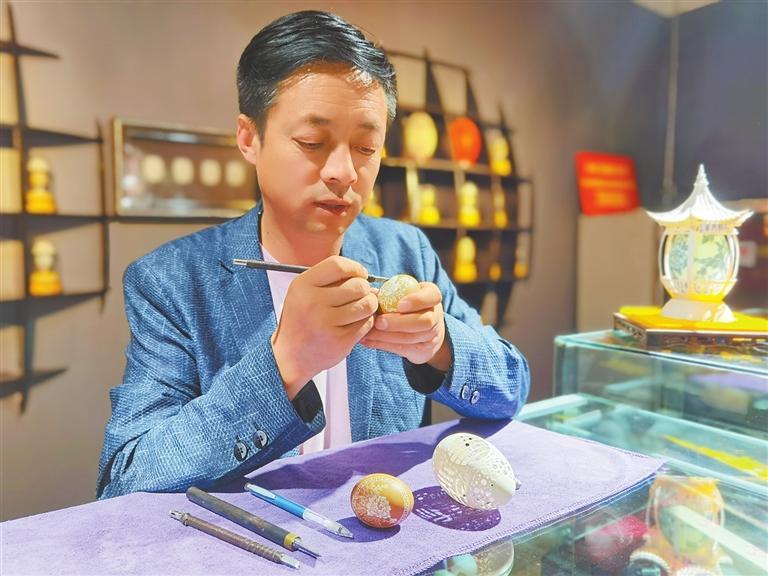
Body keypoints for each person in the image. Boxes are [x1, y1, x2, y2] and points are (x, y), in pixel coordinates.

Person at [97, 10, 530, 499]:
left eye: (366, 147)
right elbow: (125, 479)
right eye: (312, 142)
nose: (344, 172)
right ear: (249, 138)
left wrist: (439, 344)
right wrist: (285, 362)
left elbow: (511, 390)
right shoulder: (173, 281)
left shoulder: (404, 250)